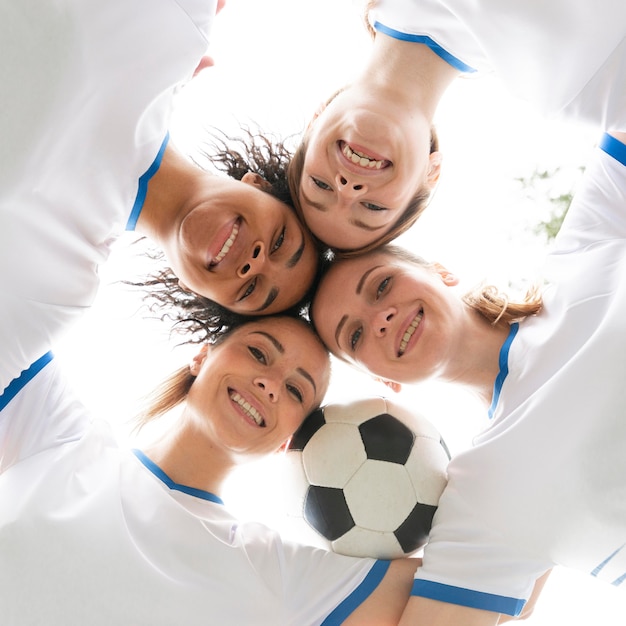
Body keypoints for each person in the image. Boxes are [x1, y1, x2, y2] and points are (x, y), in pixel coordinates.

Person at [311, 131, 626, 623]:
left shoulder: (588, 245)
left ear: (442, 271)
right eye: (354, 337)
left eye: (382, 286)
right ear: (383, 382)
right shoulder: (480, 503)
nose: (380, 319)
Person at [0, 313, 427, 625]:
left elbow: (477, 574)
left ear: (290, 441)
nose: (270, 384)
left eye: (296, 390)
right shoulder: (51, 428)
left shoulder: (280, 577)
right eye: (258, 353)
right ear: (202, 356)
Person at [0, 0, 319, 395]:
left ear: (196, 291)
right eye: (280, 241)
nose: (255, 262)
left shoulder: (56, 289)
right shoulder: (177, 29)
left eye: (251, 290)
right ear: (258, 184)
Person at [288, 0, 626, 252]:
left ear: (314, 121)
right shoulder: (579, 89)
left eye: (320, 185)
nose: (347, 189)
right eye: (373, 209)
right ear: (431, 172)